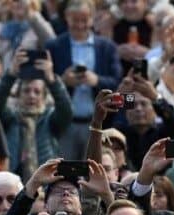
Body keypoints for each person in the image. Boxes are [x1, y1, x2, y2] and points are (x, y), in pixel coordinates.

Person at [45, 0, 122, 163]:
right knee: (64, 171)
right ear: (66, 18)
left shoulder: (107, 47)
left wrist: (96, 81)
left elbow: (117, 83)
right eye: (75, 20)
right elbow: (44, 81)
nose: (80, 25)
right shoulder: (54, 46)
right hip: (65, 124)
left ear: (92, 18)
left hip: (98, 122)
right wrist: (63, 81)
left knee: (94, 170)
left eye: (84, 20)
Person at [0, 48, 72, 181]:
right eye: (26, 91)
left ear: (44, 97)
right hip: (14, 181)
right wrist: (10, 75)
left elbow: (66, 111)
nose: (31, 96)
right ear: (18, 95)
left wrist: (52, 80)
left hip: (46, 182)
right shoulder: (10, 118)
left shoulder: (50, 120)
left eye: (37, 92)